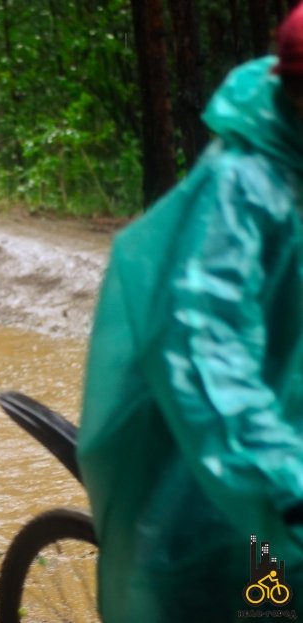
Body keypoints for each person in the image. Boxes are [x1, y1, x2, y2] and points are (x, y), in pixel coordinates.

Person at [77, 6, 303, 622]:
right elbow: (206, 346)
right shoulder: (241, 191)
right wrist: (286, 481)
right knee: (258, 603)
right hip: (216, 474)